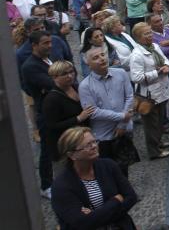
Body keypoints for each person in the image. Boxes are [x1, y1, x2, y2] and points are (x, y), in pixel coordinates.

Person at [51, 127, 138, 230]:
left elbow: (131, 197)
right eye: (88, 145)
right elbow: (81, 223)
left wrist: (94, 215)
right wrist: (115, 201)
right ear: (72, 155)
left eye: (94, 141)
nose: (94, 146)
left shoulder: (108, 165)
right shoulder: (62, 186)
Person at [79, 46, 137, 177]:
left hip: (123, 130)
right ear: (88, 63)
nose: (101, 59)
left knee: (124, 167)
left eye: (102, 55)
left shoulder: (121, 73)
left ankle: (126, 193)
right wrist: (122, 116)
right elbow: (93, 112)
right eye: (95, 58)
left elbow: (129, 96)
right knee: (107, 171)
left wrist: (122, 124)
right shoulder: (85, 86)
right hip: (103, 135)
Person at [128, 22, 169, 160]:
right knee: (151, 125)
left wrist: (167, 66)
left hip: (161, 91)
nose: (150, 35)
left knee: (159, 120)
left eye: (150, 32)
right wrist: (157, 72)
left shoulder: (155, 47)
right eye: (146, 33)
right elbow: (136, 77)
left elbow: (165, 60)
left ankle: (158, 142)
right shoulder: (136, 55)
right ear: (138, 37)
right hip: (149, 95)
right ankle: (154, 151)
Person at [21, 30, 56, 197]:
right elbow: (50, 83)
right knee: (47, 149)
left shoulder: (49, 58)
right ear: (34, 45)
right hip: (46, 112)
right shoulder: (30, 66)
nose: (50, 46)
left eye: (50, 42)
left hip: (57, 107)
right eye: (46, 43)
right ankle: (46, 185)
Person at [43, 61, 94, 164]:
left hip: (82, 140)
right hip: (66, 146)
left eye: (71, 72)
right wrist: (78, 118)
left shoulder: (76, 87)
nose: (70, 76)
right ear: (54, 77)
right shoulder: (51, 99)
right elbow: (52, 126)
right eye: (64, 74)